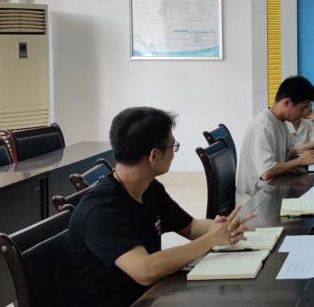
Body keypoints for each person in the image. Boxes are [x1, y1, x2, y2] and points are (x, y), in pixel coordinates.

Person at [58, 107, 254, 307]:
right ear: (154, 155)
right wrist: (211, 239)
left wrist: (223, 228)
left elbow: (190, 227)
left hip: (148, 296)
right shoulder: (101, 210)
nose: (174, 154)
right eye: (173, 147)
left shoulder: (150, 188)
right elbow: (145, 270)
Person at [236, 76, 314, 204]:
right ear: (287, 103)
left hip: (272, 190)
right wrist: (300, 161)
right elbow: (267, 171)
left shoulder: (280, 122)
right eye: (301, 108)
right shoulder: (263, 126)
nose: (303, 113)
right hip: (255, 201)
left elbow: (289, 153)